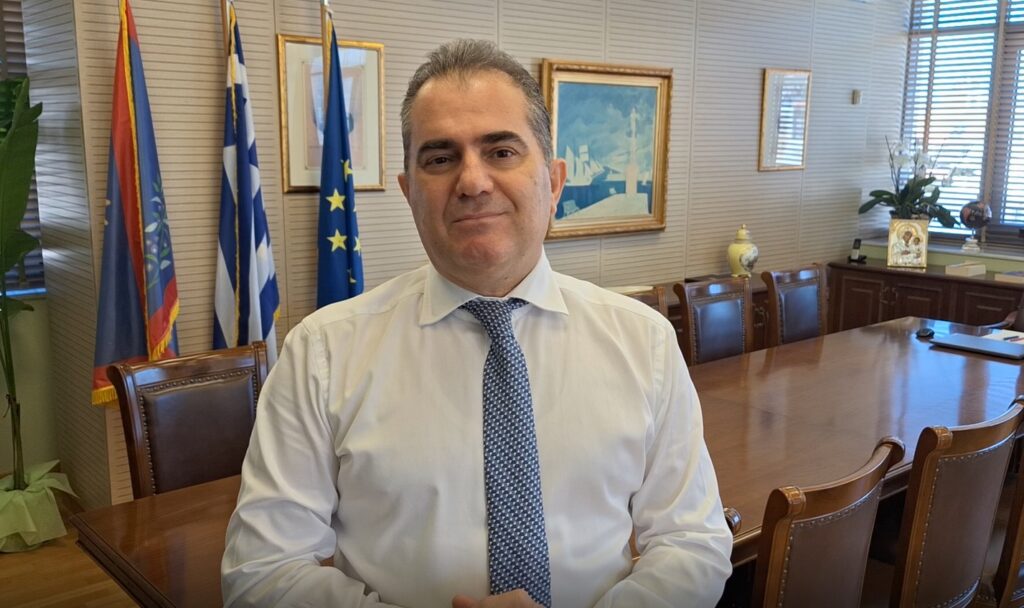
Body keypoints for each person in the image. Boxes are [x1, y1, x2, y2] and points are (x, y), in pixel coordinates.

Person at [222, 39, 732, 608]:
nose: (472, 182)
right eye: (440, 159)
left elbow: (693, 542)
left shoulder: (644, 341)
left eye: (502, 151)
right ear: (409, 193)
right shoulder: (322, 353)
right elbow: (262, 573)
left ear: (555, 182)